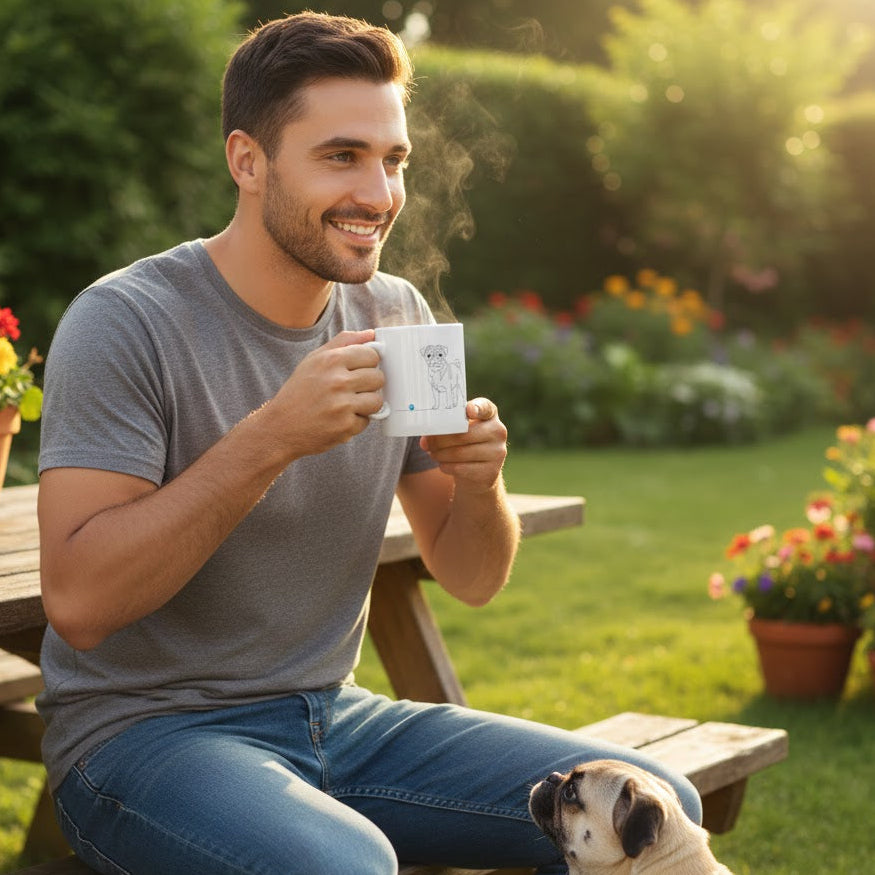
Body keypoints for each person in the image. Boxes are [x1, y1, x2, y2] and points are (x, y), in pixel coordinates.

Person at [36, 12, 701, 875]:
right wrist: (271, 437)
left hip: (335, 719)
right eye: (341, 156)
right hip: (143, 739)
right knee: (345, 867)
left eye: (393, 161)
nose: (380, 193)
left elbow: (471, 575)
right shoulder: (124, 321)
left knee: (659, 807)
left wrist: (479, 481)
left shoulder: (396, 316)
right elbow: (80, 604)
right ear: (247, 160)